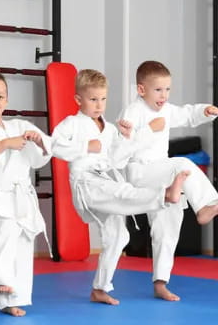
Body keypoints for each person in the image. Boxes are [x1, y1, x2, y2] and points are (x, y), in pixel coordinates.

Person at [51, 69, 189, 305]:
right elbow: (54, 146)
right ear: (78, 99)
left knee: (118, 236)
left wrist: (127, 139)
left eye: (103, 99)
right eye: (93, 99)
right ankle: (164, 195)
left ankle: (100, 289)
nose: (99, 105)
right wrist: (86, 146)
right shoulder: (72, 124)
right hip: (87, 183)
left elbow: (119, 160)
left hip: (106, 178)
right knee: (123, 193)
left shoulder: (111, 128)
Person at [120, 60, 218, 301]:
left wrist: (204, 111)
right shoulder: (133, 112)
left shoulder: (165, 109)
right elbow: (122, 148)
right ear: (141, 90)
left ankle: (160, 282)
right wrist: (150, 130)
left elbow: (185, 114)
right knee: (183, 164)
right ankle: (207, 205)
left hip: (161, 175)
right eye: (158, 90)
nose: (163, 96)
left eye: (167, 90)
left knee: (168, 225)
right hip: (140, 172)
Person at [0, 71, 51, 317]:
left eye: (0, 96)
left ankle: (12, 298)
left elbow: (39, 158)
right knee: (4, 231)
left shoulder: (19, 125)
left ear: (6, 100)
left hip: (21, 194)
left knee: (23, 244)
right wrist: (4, 145)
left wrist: (38, 141)